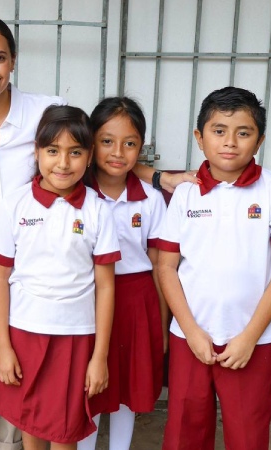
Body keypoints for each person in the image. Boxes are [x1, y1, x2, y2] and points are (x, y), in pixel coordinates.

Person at [0, 16, 195, 450]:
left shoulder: (44, 110)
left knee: (31, 373)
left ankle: (13, 445)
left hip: (50, 249)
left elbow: (99, 147)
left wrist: (155, 176)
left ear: (13, 60)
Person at [157, 86, 271, 450]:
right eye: (219, 130)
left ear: (259, 141)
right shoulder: (185, 193)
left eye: (243, 132)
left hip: (252, 340)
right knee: (185, 433)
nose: (230, 142)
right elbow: (166, 267)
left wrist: (249, 337)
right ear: (199, 138)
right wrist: (191, 331)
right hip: (191, 338)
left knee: (248, 434)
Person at [0, 105, 119, 449]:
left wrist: (99, 357)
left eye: (75, 152)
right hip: (24, 333)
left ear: (89, 157)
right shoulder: (16, 203)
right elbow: (0, 278)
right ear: (37, 152)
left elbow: (105, 286)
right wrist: (4, 346)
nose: (63, 163)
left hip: (75, 337)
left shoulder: (98, 210)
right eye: (53, 151)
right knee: (31, 421)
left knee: (64, 430)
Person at [78, 98, 168, 450]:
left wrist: (160, 322)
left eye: (130, 143)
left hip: (135, 301)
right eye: (106, 141)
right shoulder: (76, 191)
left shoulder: (150, 199)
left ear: (141, 147)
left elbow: (160, 265)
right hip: (85, 297)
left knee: (130, 384)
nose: (118, 152)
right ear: (91, 142)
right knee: (88, 383)